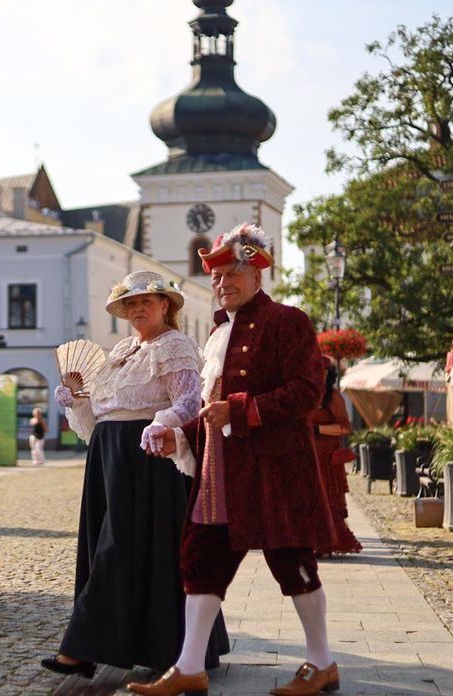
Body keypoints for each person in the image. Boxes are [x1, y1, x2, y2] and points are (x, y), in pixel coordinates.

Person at [134, 224, 339, 696]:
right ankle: (189, 666)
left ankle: (322, 662)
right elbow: (212, 407)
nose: (223, 284)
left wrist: (244, 408)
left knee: (292, 562)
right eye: (217, 278)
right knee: (200, 559)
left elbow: (307, 393)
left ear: (256, 275)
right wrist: (179, 435)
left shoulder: (289, 321)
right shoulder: (217, 332)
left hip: (274, 470)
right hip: (219, 471)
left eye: (232, 275)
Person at [42, 270, 228, 680]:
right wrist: (76, 403)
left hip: (148, 457)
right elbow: (103, 412)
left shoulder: (175, 345)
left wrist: (160, 424)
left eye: (147, 301)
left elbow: (188, 399)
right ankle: (145, 646)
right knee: (109, 545)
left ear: (166, 306)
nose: (138, 308)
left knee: (121, 547)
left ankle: (83, 649)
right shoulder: (123, 348)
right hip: (109, 455)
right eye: (131, 303)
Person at [312, 356, 361, 556]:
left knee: (329, 500)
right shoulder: (305, 394)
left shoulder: (334, 397)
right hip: (308, 456)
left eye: (322, 373)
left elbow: (344, 427)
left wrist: (317, 429)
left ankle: (328, 543)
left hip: (327, 457)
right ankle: (311, 543)